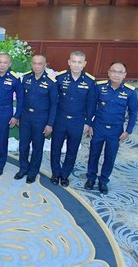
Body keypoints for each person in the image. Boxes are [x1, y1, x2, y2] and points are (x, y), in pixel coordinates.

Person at [85, 62, 138, 194]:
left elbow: (133, 112)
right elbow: (91, 106)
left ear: (125, 75)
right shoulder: (99, 87)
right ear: (109, 72)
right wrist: (89, 124)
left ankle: (103, 181)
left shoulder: (130, 92)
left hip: (116, 130)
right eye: (113, 71)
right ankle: (91, 178)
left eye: (120, 72)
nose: (116, 74)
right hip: (98, 127)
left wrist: (128, 131)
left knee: (110, 156)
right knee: (94, 154)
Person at [51, 51, 96, 186]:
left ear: (84, 64)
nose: (76, 65)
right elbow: (54, 101)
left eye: (79, 62)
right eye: (74, 62)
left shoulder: (90, 81)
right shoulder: (60, 78)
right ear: (69, 62)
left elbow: (91, 104)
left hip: (77, 121)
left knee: (72, 150)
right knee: (55, 148)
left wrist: (88, 122)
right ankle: (55, 173)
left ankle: (65, 175)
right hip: (60, 119)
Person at [16, 54, 58, 183]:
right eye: (34, 63)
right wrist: (18, 116)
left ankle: (33, 172)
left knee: (37, 147)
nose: (37, 66)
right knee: (23, 145)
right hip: (25, 117)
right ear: (31, 64)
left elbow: (54, 105)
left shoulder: (51, 82)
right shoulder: (26, 78)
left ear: (45, 65)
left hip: (41, 119)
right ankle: (23, 168)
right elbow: (21, 99)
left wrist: (50, 124)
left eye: (40, 64)